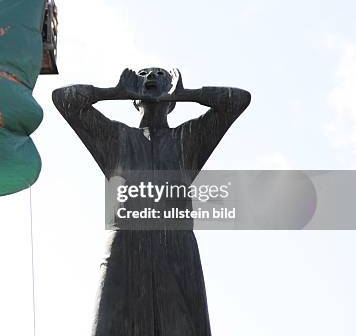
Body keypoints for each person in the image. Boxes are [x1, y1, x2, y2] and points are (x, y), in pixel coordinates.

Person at [52, 68, 250, 336]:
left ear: (171, 96)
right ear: (135, 96)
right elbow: (65, 99)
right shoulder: (117, 138)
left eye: (159, 75)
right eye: (143, 74)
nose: (150, 77)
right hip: (126, 247)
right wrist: (112, 92)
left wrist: (189, 94)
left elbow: (237, 100)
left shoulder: (187, 140)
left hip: (177, 250)